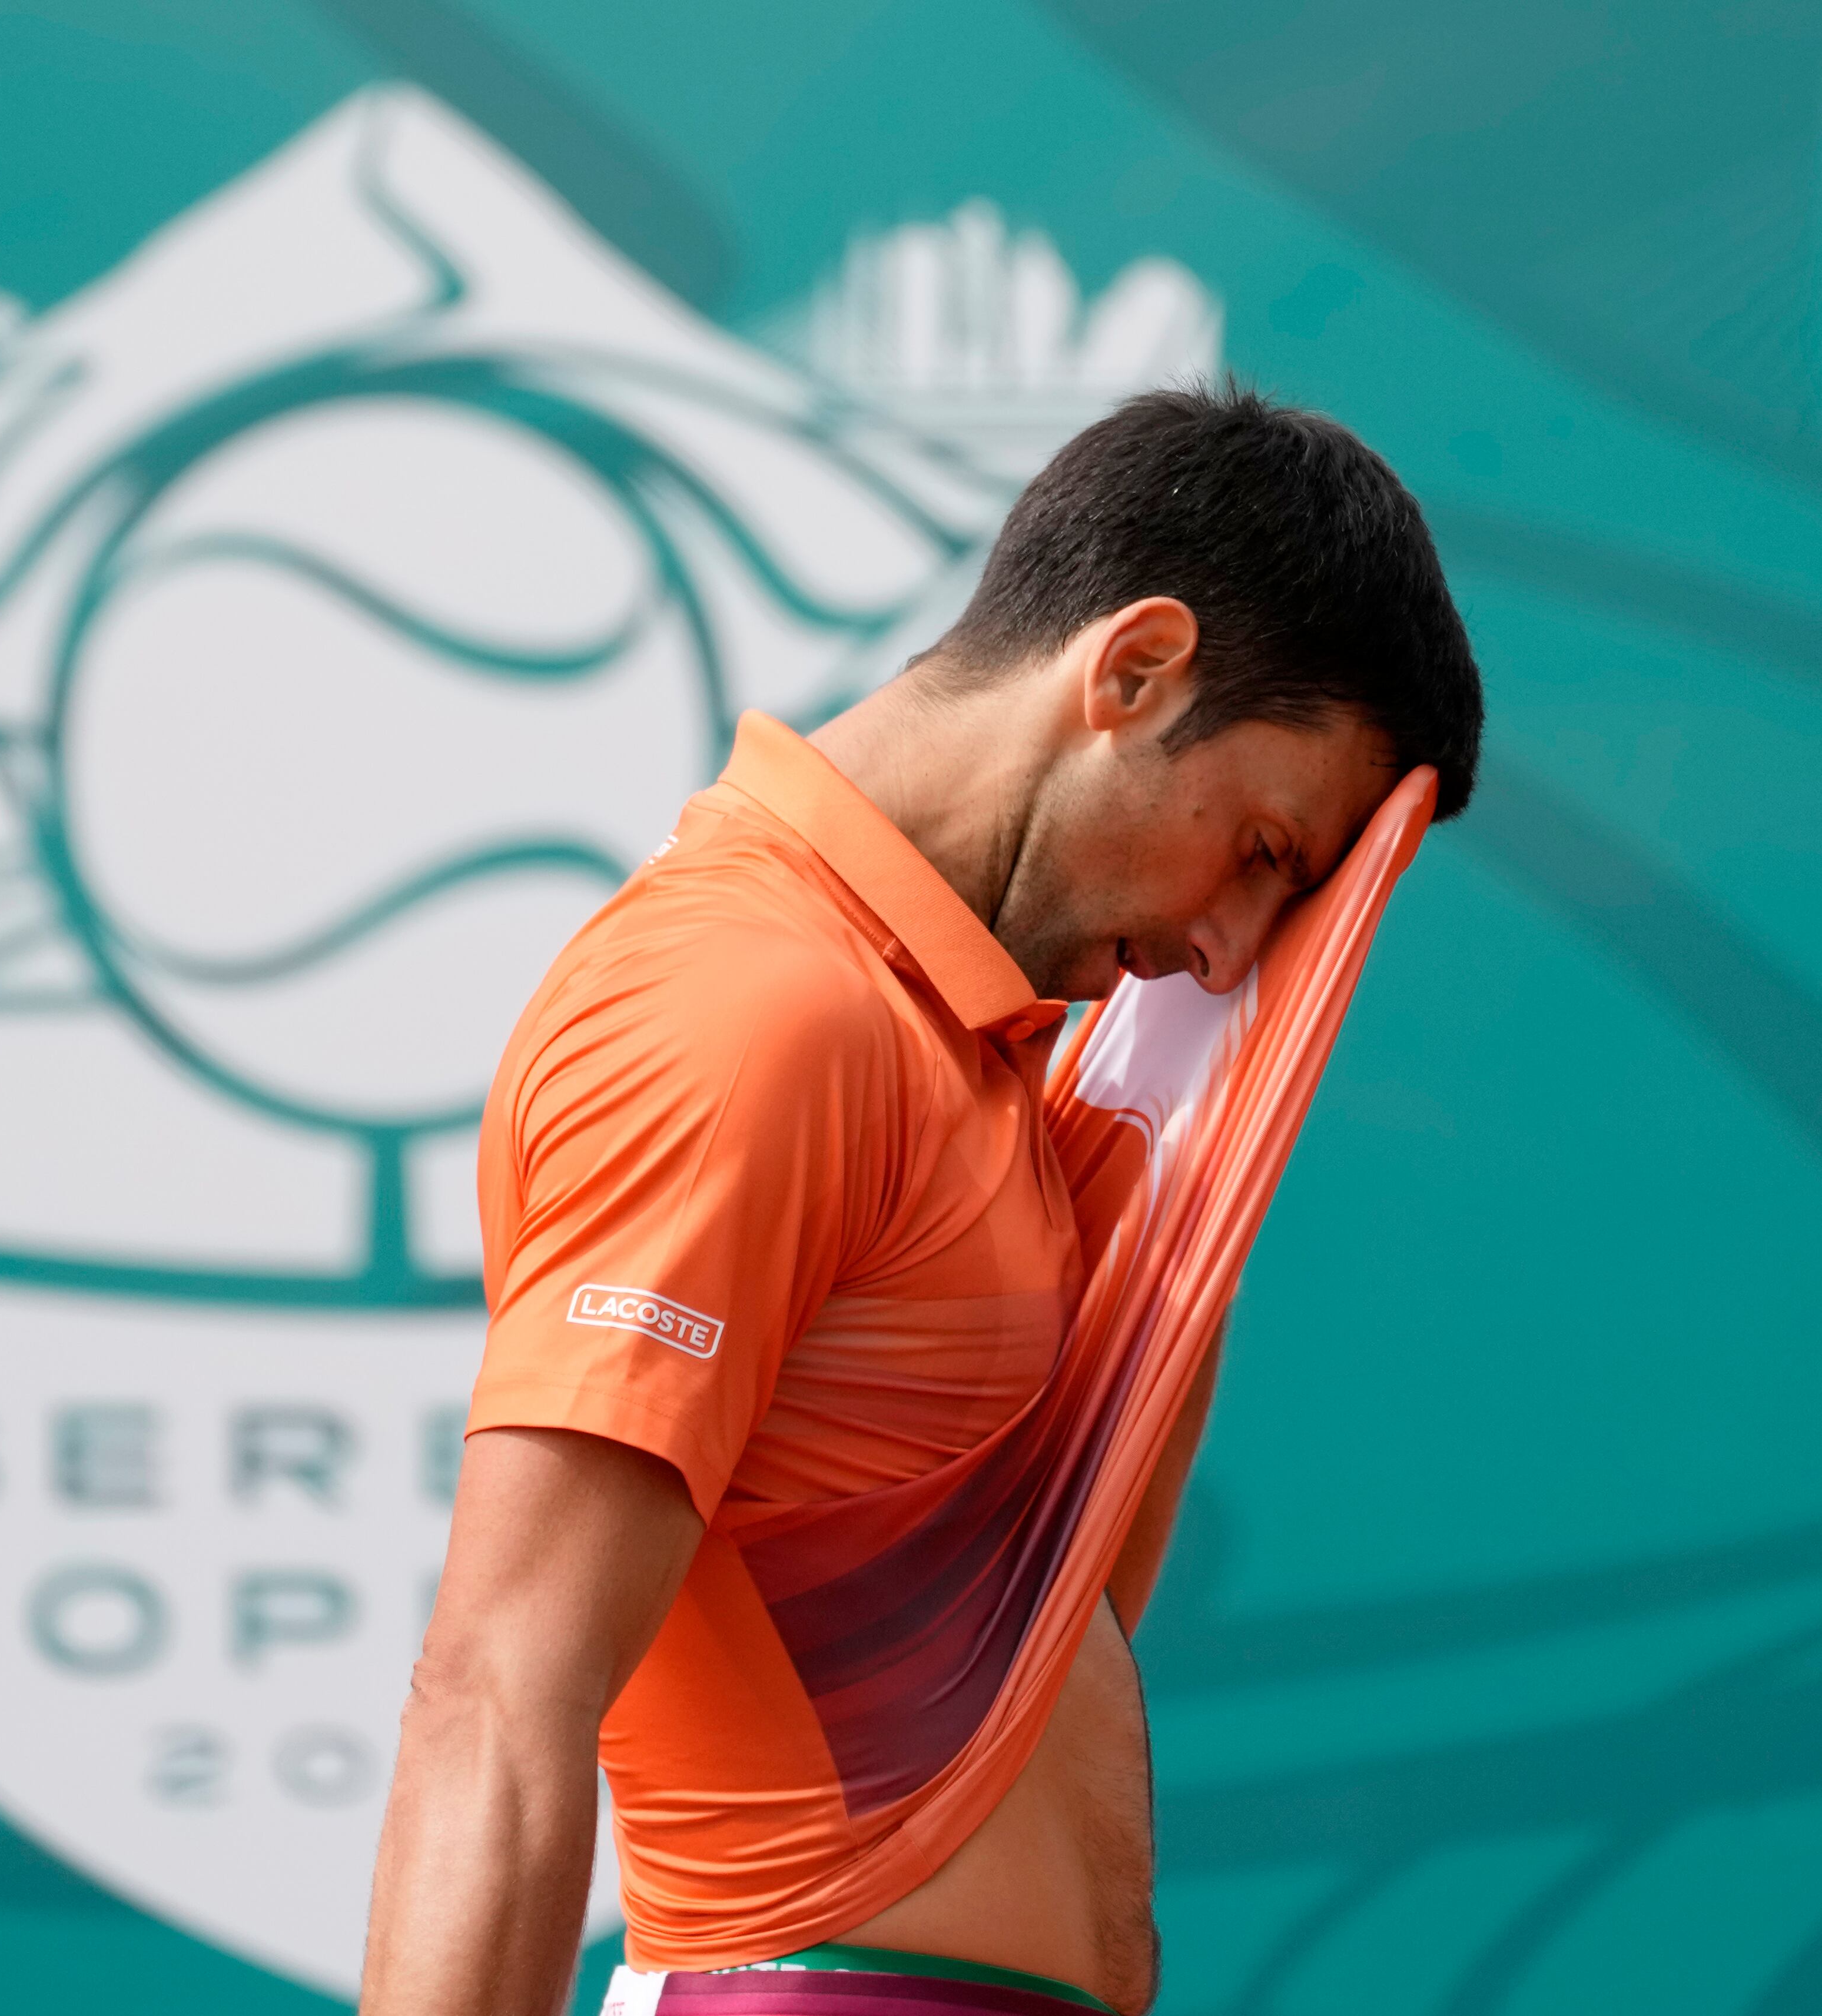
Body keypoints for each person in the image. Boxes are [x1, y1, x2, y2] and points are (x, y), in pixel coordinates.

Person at [362, 384, 1482, 2016]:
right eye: (1254, 844)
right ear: (1134, 667)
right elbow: (499, 1688)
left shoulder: (980, 1061)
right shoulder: (754, 1002)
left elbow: (1014, 1656)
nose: (1232, 949)